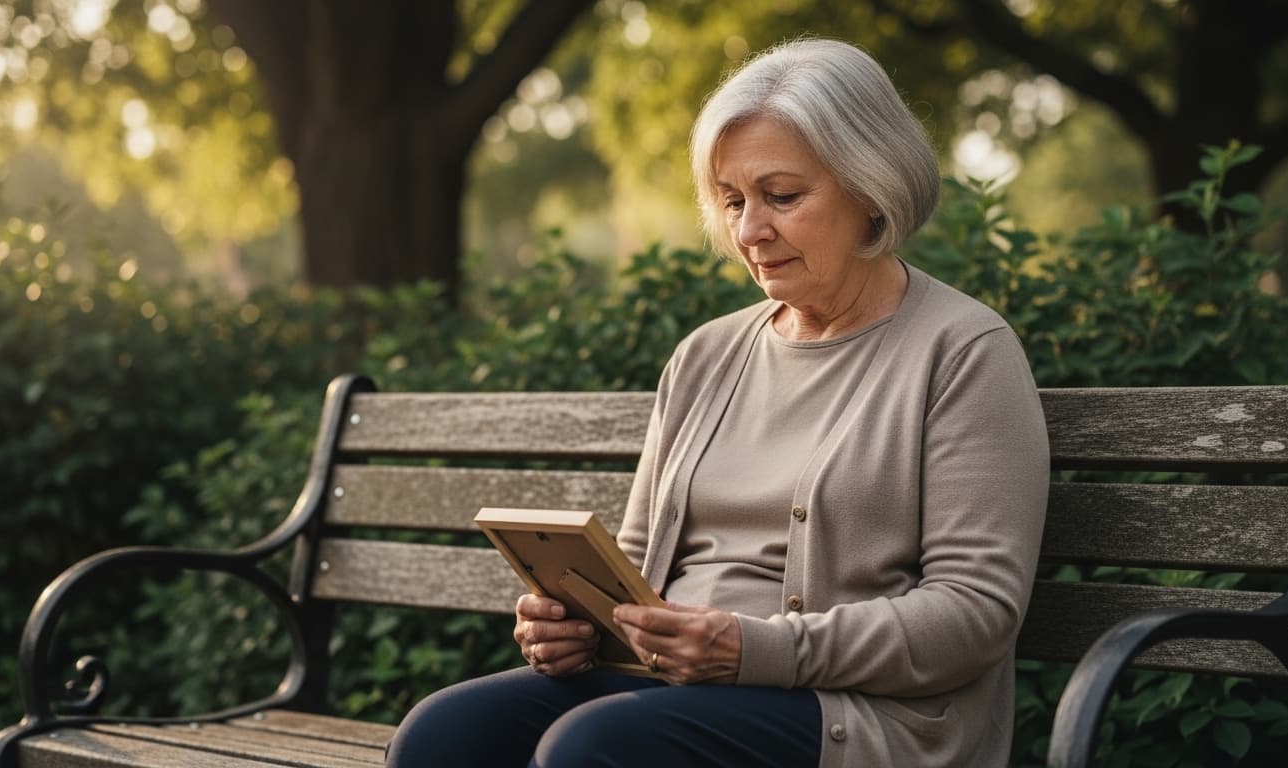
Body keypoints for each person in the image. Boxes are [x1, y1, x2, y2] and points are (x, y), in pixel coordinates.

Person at [385, 38, 1049, 768]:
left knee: (593, 748)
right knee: (442, 736)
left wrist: (754, 649)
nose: (749, 231)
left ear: (872, 186)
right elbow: (634, 566)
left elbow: (976, 613)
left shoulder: (963, 351)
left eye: (783, 197)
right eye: (733, 202)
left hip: (852, 715)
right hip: (670, 685)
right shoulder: (706, 355)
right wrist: (580, 626)